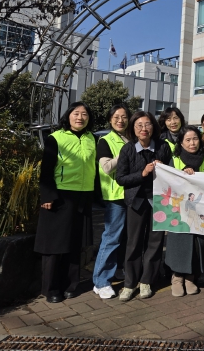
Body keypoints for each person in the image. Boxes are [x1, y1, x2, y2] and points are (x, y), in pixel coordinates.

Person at [34, 102, 96, 303]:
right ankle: (51, 289)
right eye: (76, 113)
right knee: (54, 245)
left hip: (83, 196)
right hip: (60, 195)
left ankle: (70, 285)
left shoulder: (92, 138)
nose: (80, 117)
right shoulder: (56, 138)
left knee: (74, 244)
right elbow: (46, 169)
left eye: (84, 114)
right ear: (68, 116)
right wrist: (48, 196)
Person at [116, 111, 172, 301]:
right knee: (133, 243)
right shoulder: (128, 149)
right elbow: (121, 179)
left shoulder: (163, 146)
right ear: (133, 128)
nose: (143, 129)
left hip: (159, 201)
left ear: (153, 127)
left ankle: (147, 280)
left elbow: (172, 173)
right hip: (137, 201)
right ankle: (130, 283)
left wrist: (164, 168)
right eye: (139, 125)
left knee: (155, 242)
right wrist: (143, 173)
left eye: (147, 124)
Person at [166, 125, 204, 297]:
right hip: (180, 209)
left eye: (195, 139)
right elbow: (168, 183)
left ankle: (190, 277)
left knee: (198, 243)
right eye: (187, 140)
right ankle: (177, 277)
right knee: (179, 241)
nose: (192, 143)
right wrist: (182, 174)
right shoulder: (175, 160)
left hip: (202, 209)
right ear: (181, 142)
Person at [92, 104, 131, 300]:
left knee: (125, 238)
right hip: (115, 196)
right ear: (110, 119)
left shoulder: (130, 138)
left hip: (131, 195)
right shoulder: (105, 141)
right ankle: (101, 281)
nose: (120, 120)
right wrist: (125, 152)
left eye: (124, 117)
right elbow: (106, 168)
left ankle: (116, 270)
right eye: (116, 117)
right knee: (111, 238)